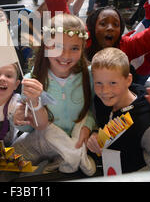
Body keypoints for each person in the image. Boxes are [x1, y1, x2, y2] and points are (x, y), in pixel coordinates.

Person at [10, 13, 97, 176]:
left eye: (74, 48)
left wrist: (88, 125)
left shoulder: (90, 76)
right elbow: (29, 127)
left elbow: (93, 109)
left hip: (77, 144)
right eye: (57, 46)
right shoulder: (32, 81)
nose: (66, 56)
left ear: (83, 48)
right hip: (43, 146)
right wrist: (19, 119)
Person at [87, 47, 150, 173]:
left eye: (112, 83)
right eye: (98, 83)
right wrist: (94, 134)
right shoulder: (100, 101)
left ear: (128, 80)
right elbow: (98, 123)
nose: (104, 90)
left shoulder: (146, 121)